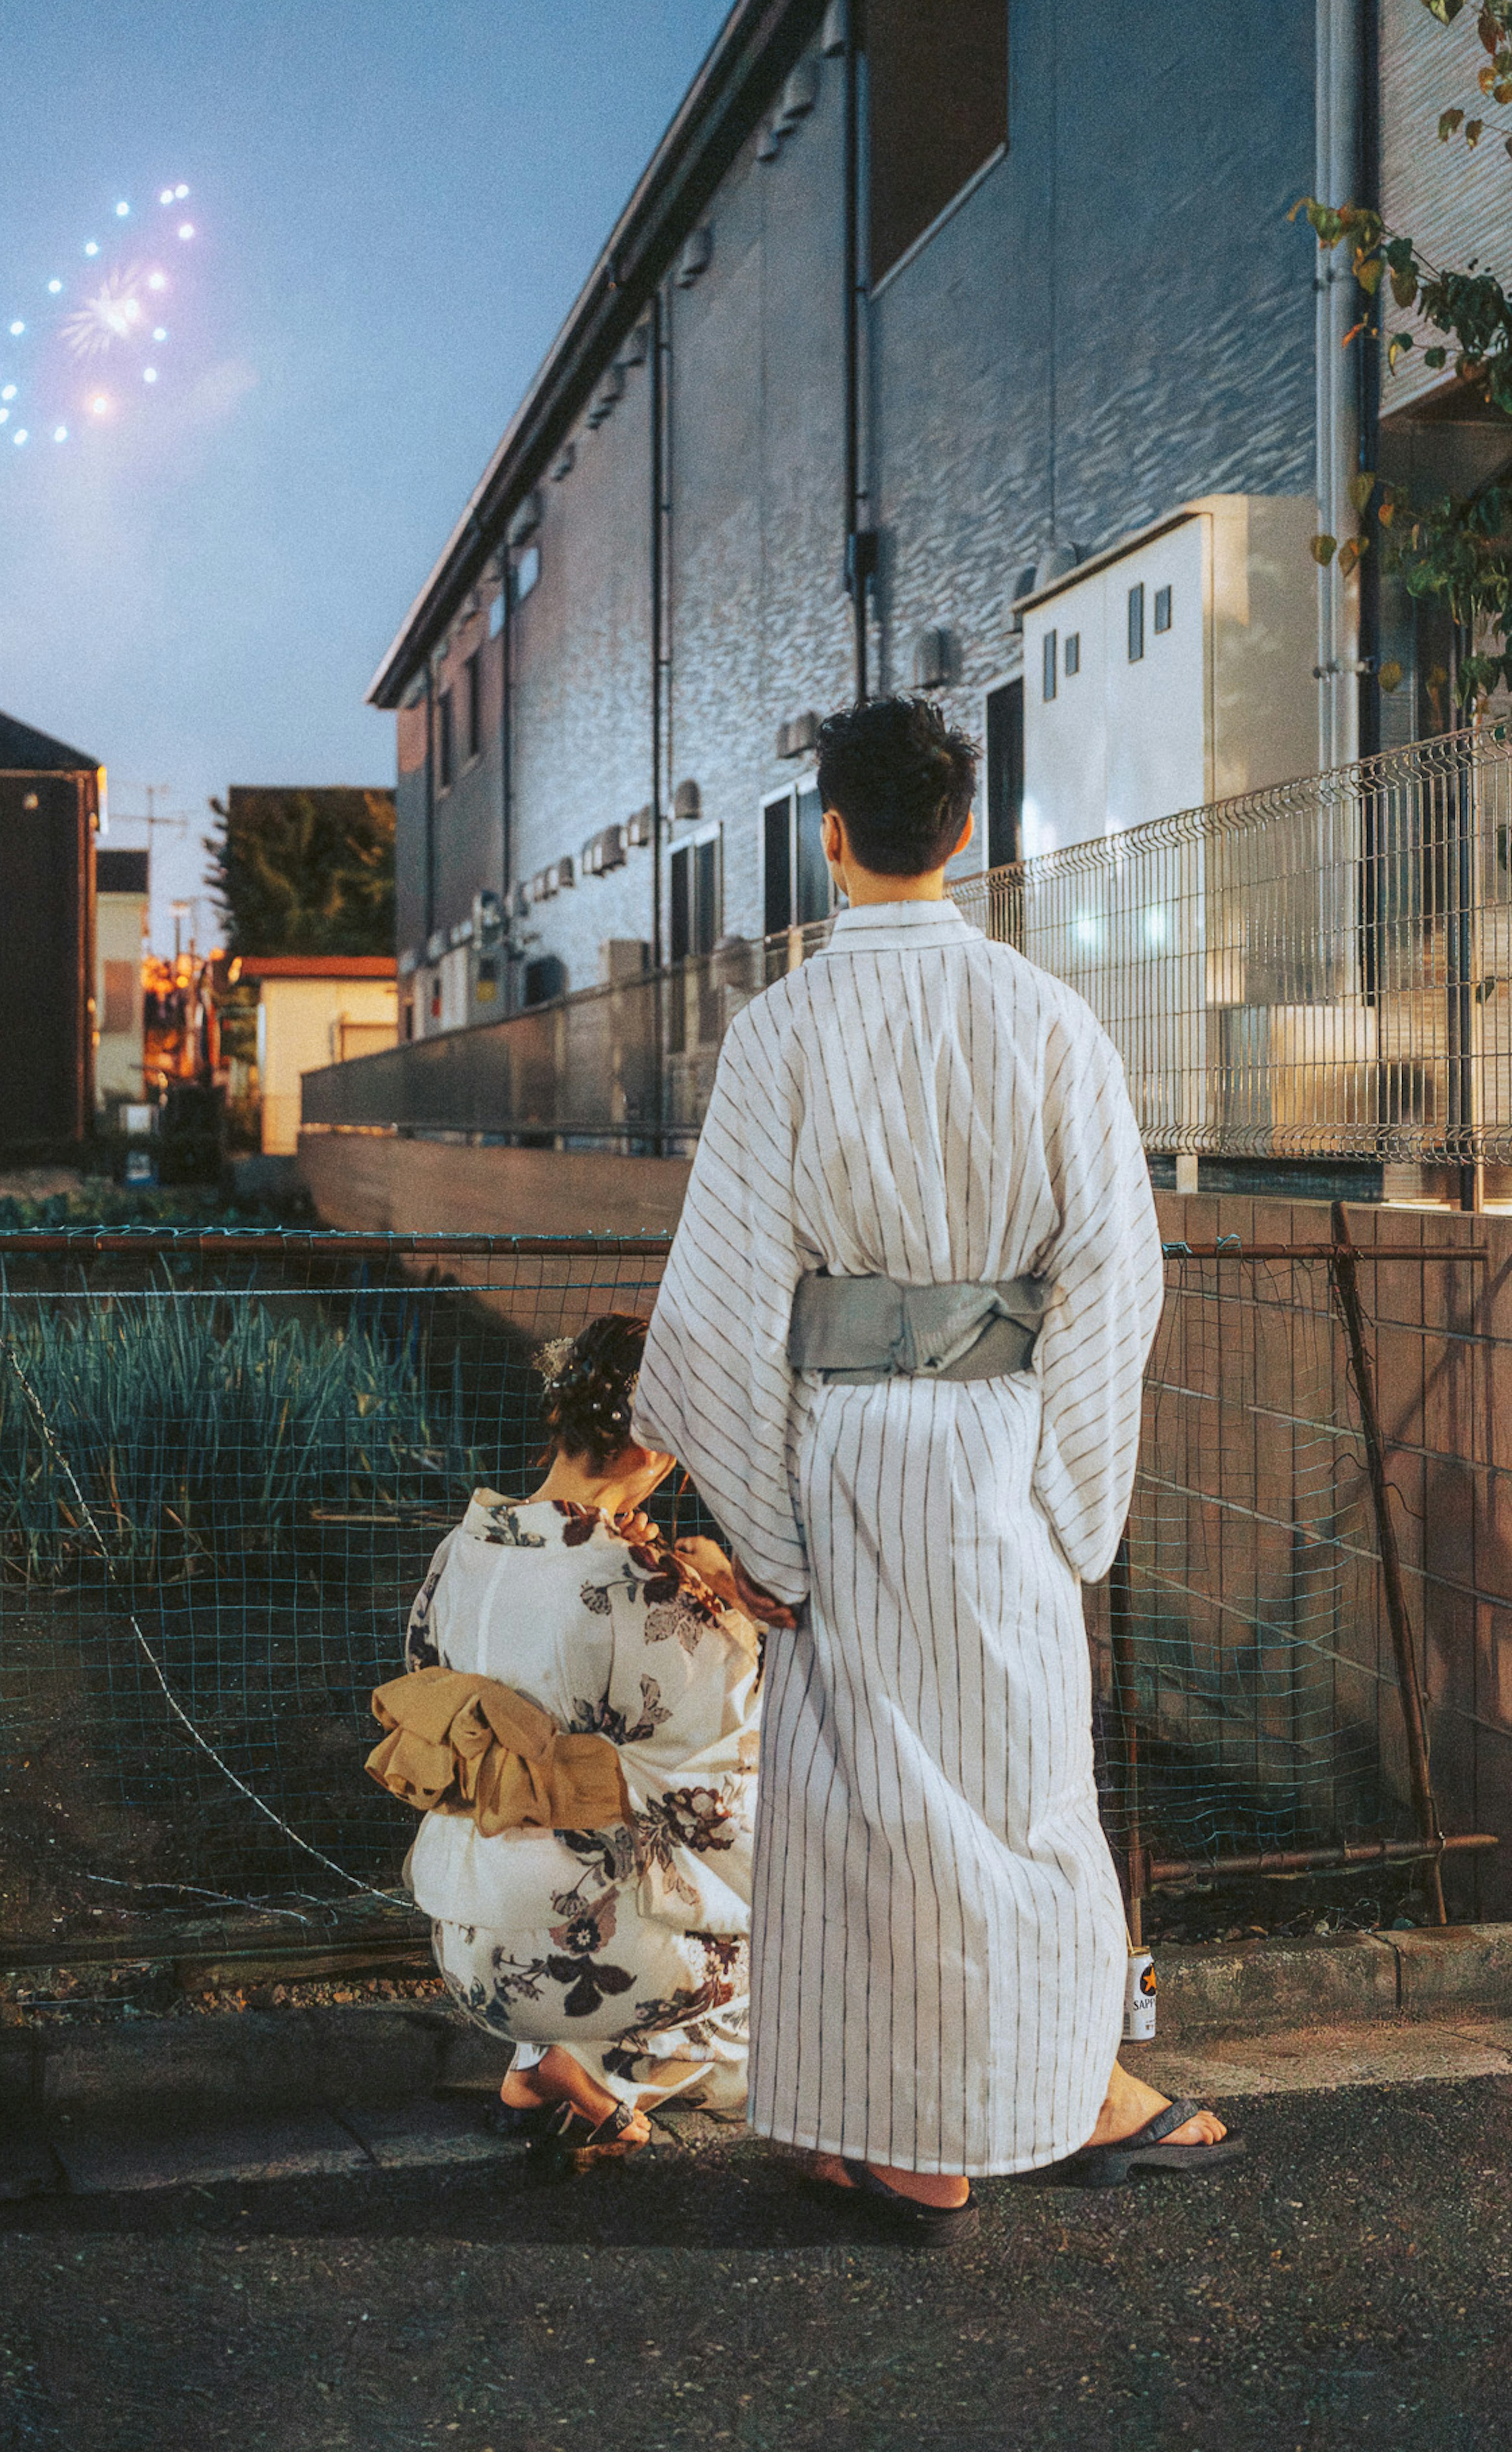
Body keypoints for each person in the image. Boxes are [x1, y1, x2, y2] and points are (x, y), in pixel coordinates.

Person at [632, 696, 1244, 2244]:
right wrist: (1077, 1488)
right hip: (1003, 1448)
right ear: (961, 836)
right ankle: (1038, 2098)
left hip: (842, 1447)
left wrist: (760, 1529)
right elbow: (1117, 1272)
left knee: (854, 1803)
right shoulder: (1048, 1021)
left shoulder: (781, 1031)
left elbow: (726, 1292)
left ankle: (881, 2130)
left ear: (828, 838)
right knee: (1026, 1791)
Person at [384, 1314, 786, 2169]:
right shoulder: (639, 1586)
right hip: (577, 1952)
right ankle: (606, 2071)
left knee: (617, 1837)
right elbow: (731, 1776)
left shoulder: (462, 1552)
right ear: (657, 1450)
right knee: (795, 1952)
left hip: (467, 1940)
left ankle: (538, 2070)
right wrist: (725, 1602)